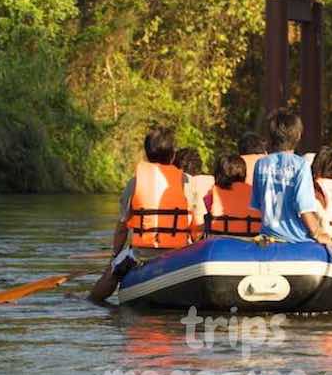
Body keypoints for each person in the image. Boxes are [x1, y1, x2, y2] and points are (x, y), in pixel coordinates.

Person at [90, 125, 193, 303]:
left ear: (146, 154)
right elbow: (194, 221)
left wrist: (114, 255)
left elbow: (123, 227)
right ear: (173, 155)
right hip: (179, 253)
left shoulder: (134, 183)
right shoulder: (186, 181)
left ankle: (91, 300)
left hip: (142, 254)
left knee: (112, 272)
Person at [250, 109, 332, 245]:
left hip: (268, 237)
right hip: (296, 240)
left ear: (271, 137)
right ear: (298, 136)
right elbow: (304, 208)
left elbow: (259, 204)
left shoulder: (261, 164)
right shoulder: (301, 166)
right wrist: (318, 232)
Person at [204, 154, 261, 237]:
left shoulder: (213, 192)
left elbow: (208, 210)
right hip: (252, 238)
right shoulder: (255, 191)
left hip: (221, 239)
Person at [175, 147, 214, 240]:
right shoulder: (212, 180)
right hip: (214, 236)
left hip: (194, 238)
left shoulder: (186, 184)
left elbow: (198, 223)